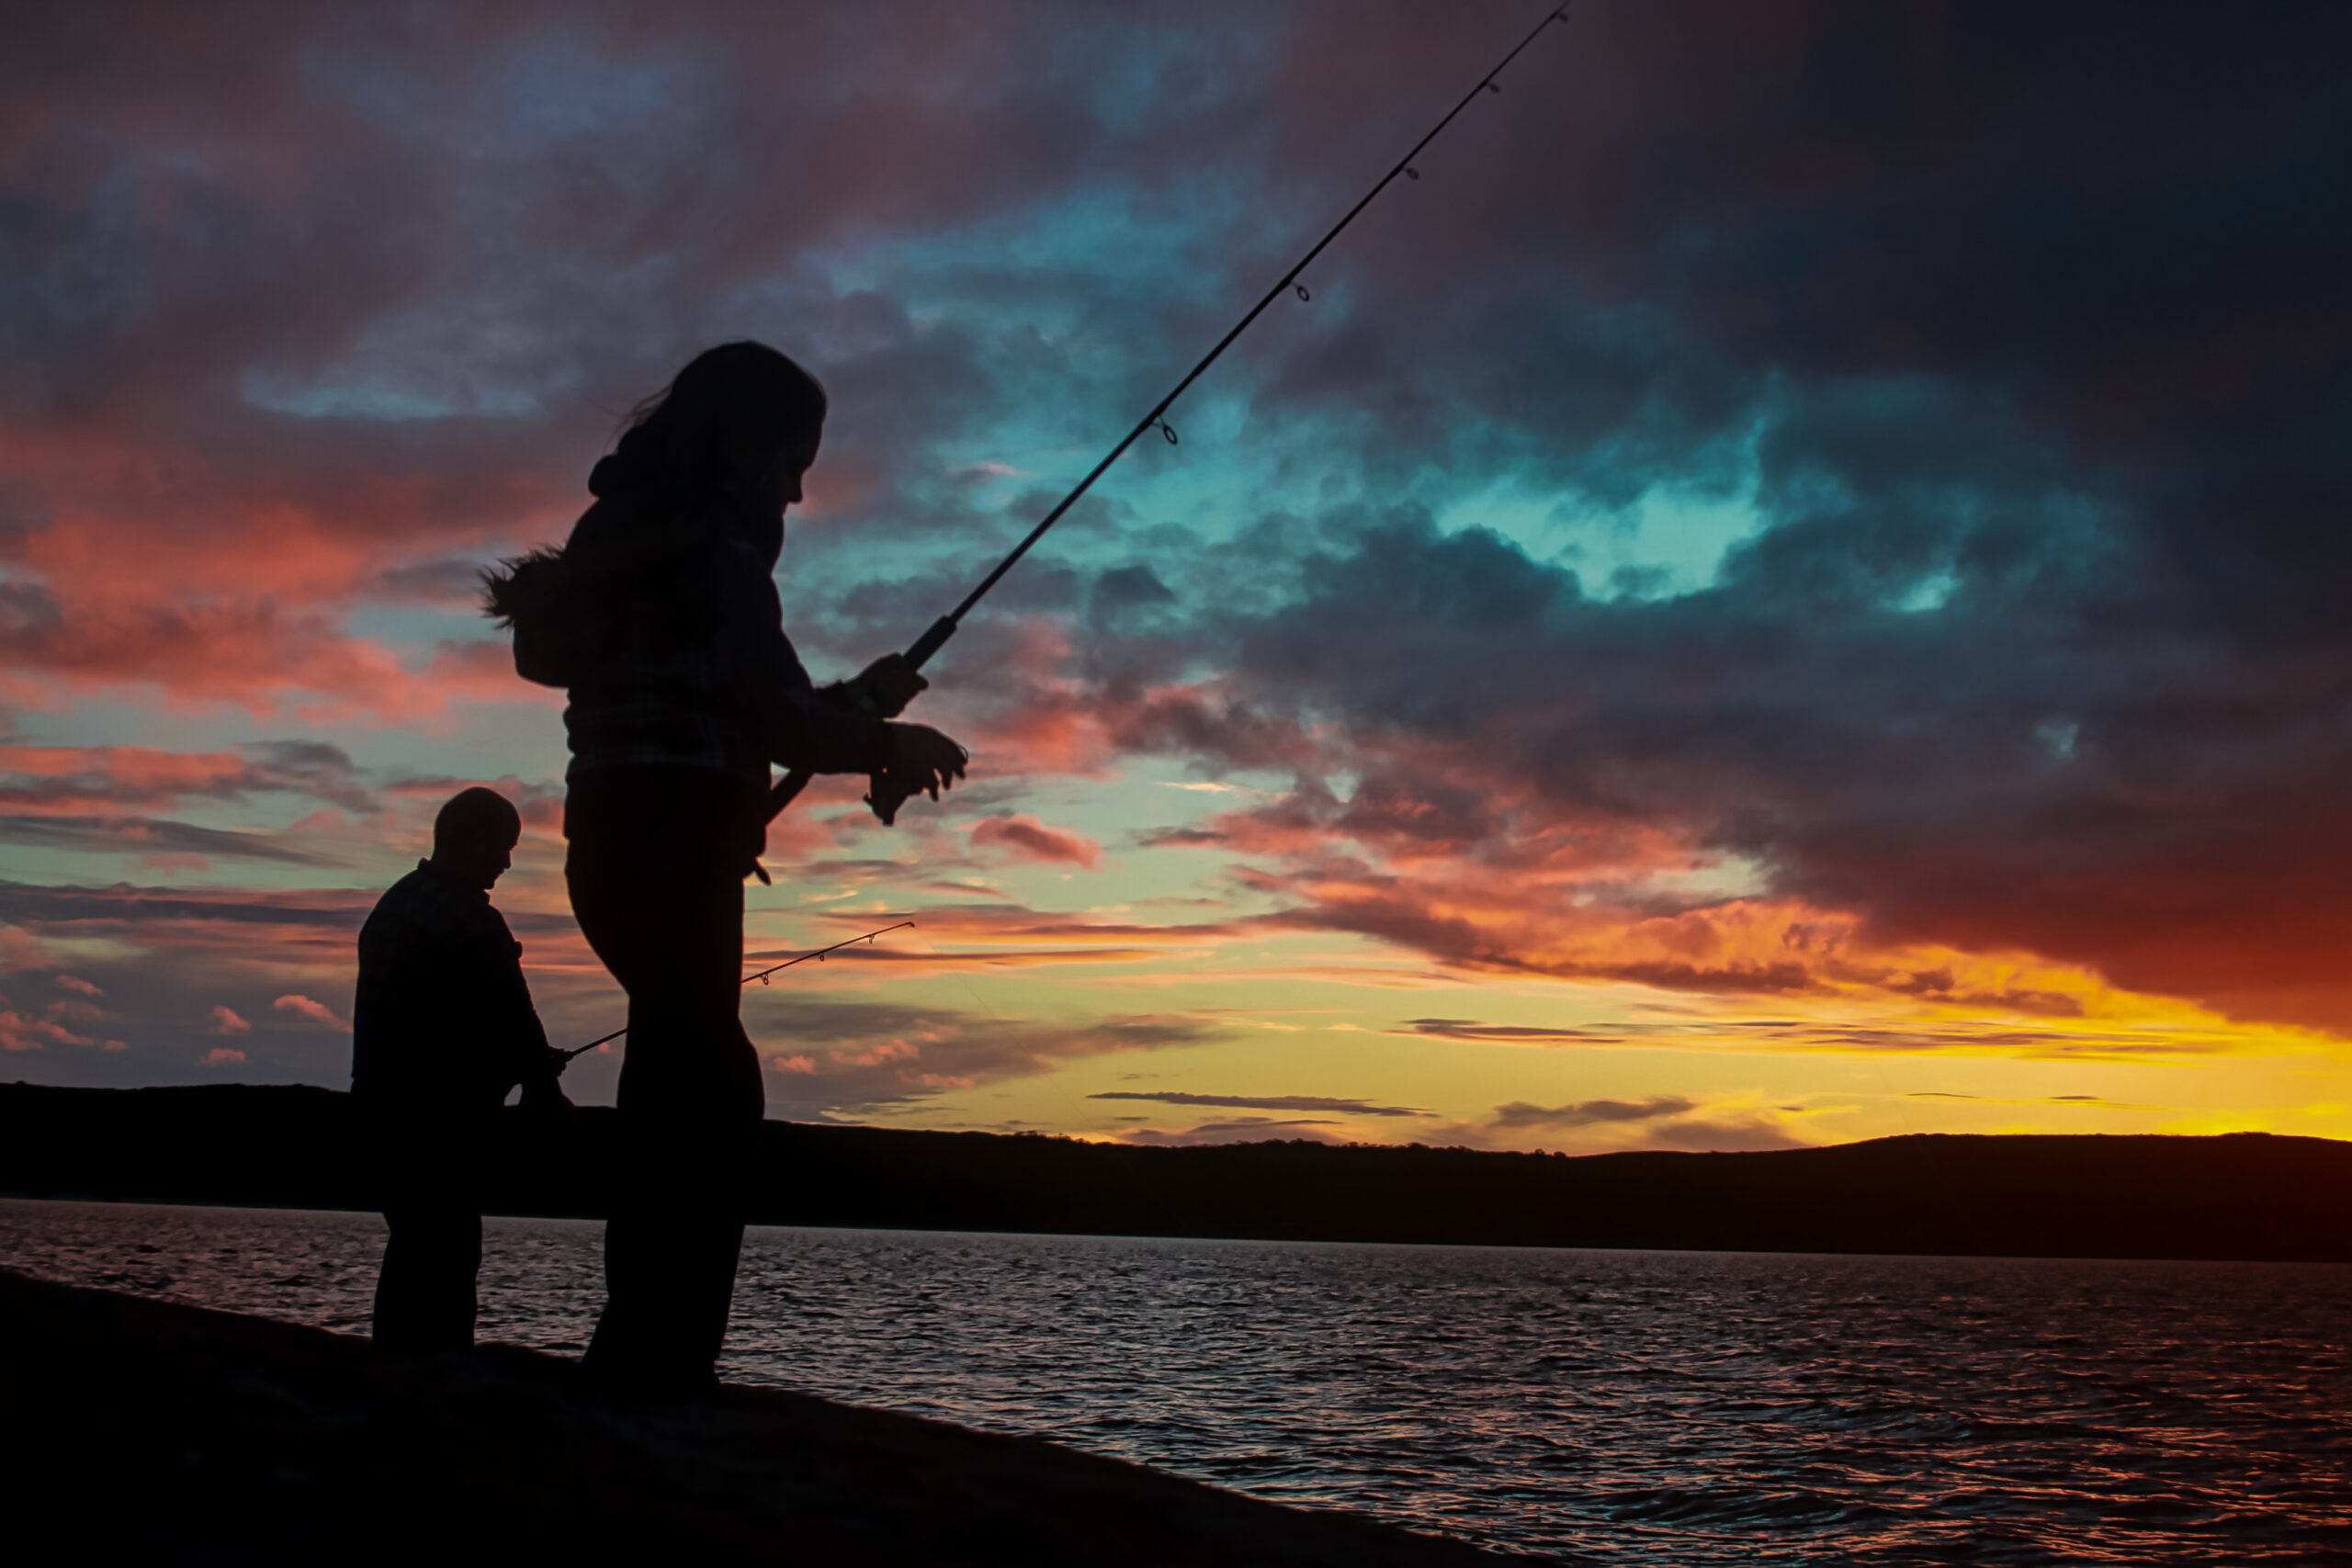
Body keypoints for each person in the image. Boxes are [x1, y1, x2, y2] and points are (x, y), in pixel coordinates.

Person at [553, 341, 967, 1386]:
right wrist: (887, 742)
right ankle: (658, 1360)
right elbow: (780, 721)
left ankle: (638, 1348)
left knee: (675, 1081)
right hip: (679, 846)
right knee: (707, 1097)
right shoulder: (719, 551)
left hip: (608, 840)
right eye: (793, 464)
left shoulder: (621, 531)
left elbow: (732, 697)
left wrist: (861, 703)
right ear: (742, 445)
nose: (797, 492)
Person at [351, 785, 571, 1351]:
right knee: (446, 1252)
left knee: (412, 1245)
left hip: (380, 1111)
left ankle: (393, 1366)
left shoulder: (395, 904)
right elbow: (513, 1013)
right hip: (441, 1121)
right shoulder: (472, 919)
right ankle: (437, 1372)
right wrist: (542, 1088)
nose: (507, 863)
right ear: (472, 841)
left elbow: (443, 1016)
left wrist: (516, 1064)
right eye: (503, 848)